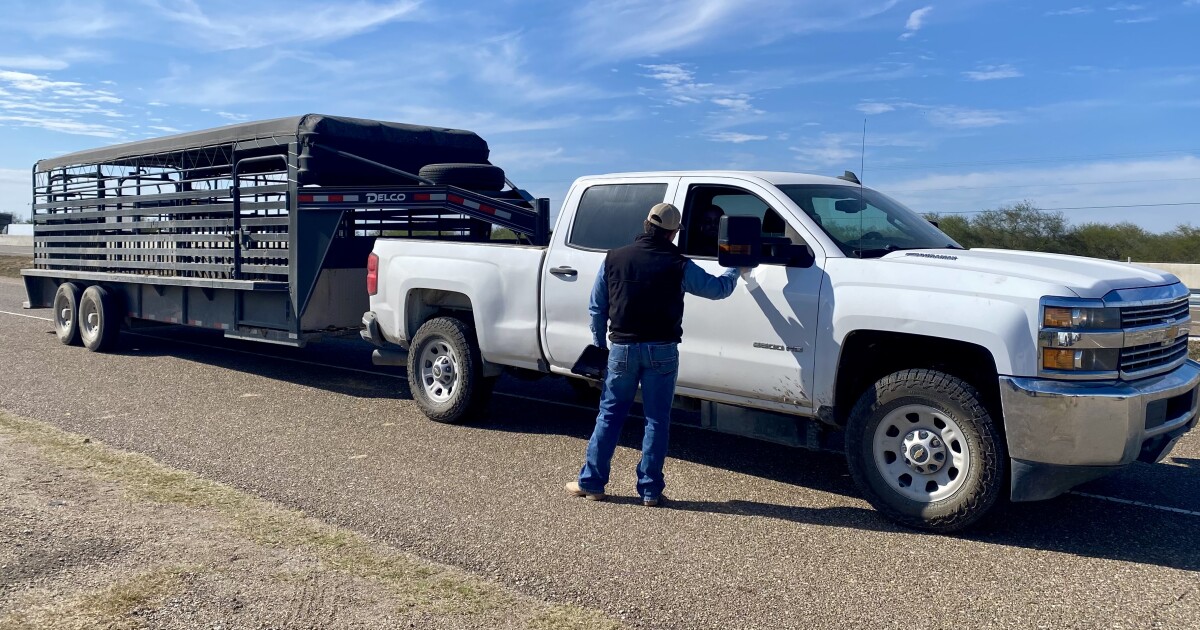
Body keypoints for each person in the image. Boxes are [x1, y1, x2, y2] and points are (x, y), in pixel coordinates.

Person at [565, 202, 742, 507]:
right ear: (672, 233)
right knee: (656, 420)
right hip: (662, 351)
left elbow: (597, 307)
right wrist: (736, 268)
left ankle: (592, 483)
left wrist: (600, 346)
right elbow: (718, 289)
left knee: (609, 416)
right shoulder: (679, 264)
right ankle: (649, 490)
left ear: (646, 225)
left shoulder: (614, 258)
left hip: (621, 349)